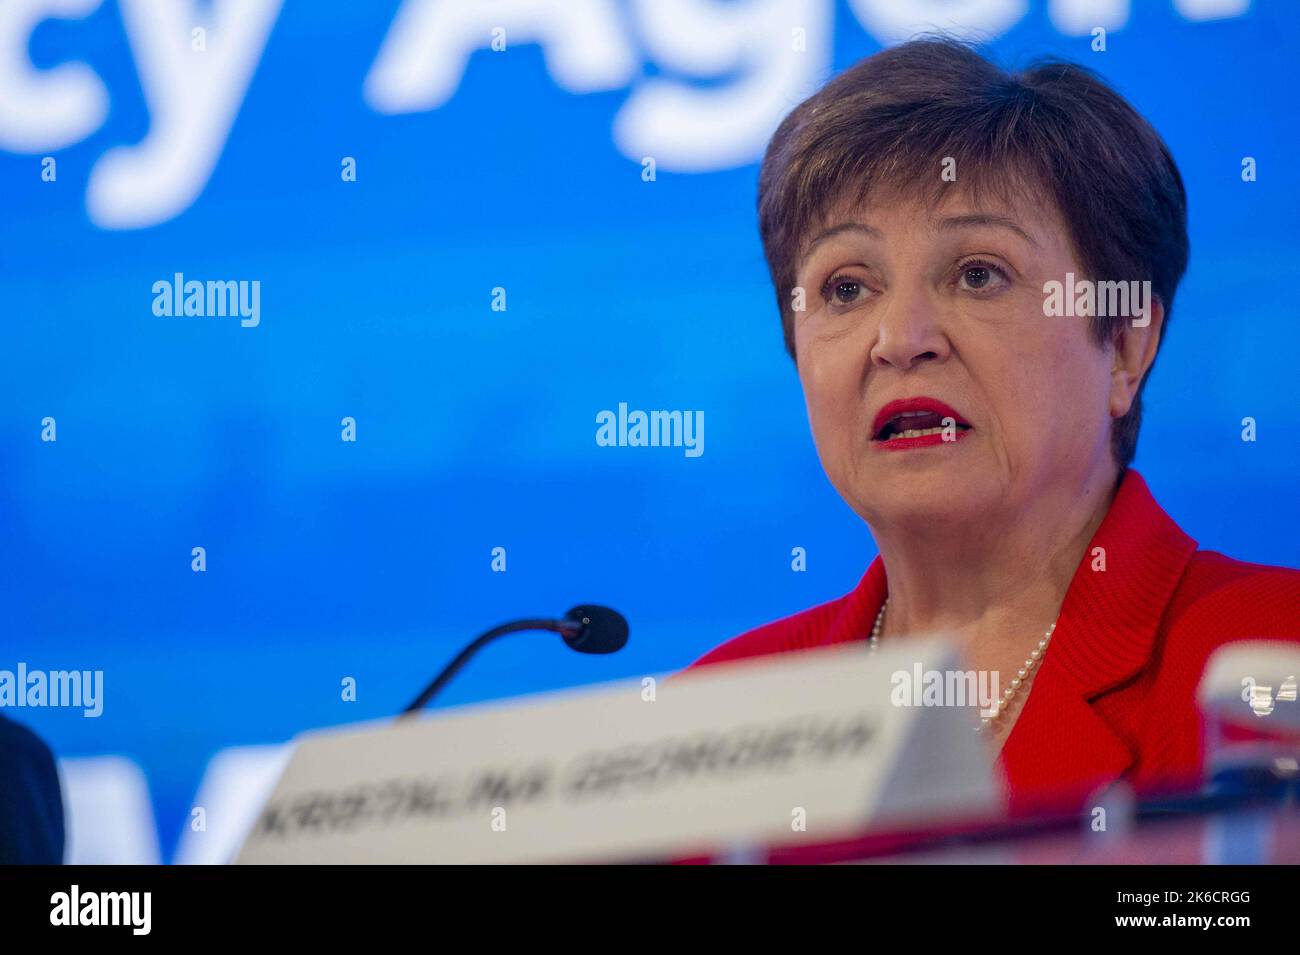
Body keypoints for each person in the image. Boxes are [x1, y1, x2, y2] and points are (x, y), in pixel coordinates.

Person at [686, 38, 1300, 815]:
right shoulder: (716, 719)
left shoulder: (1273, 663)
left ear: (1125, 344)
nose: (901, 337)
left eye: (979, 274)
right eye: (846, 287)